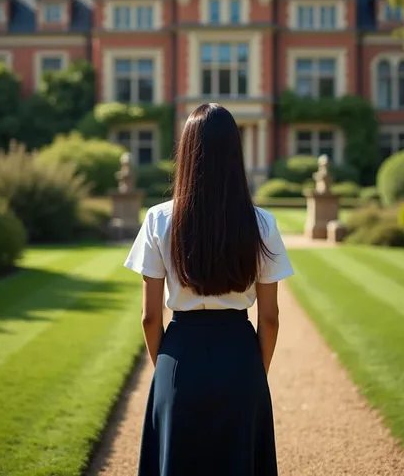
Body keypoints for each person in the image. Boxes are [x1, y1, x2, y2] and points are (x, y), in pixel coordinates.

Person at [124, 103, 294, 476]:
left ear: (186, 151)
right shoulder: (262, 223)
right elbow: (270, 318)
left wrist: (167, 369)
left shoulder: (158, 218)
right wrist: (252, 372)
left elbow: (151, 317)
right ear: (236, 151)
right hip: (240, 356)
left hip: (179, 355)